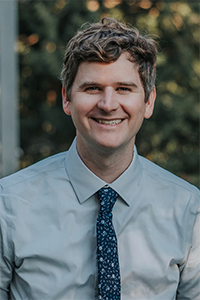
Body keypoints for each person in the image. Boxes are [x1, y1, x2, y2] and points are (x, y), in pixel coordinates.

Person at [0, 17, 199, 300]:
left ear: (149, 101)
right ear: (67, 99)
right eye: (92, 88)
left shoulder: (188, 210)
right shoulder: (8, 206)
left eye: (124, 89)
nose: (108, 104)